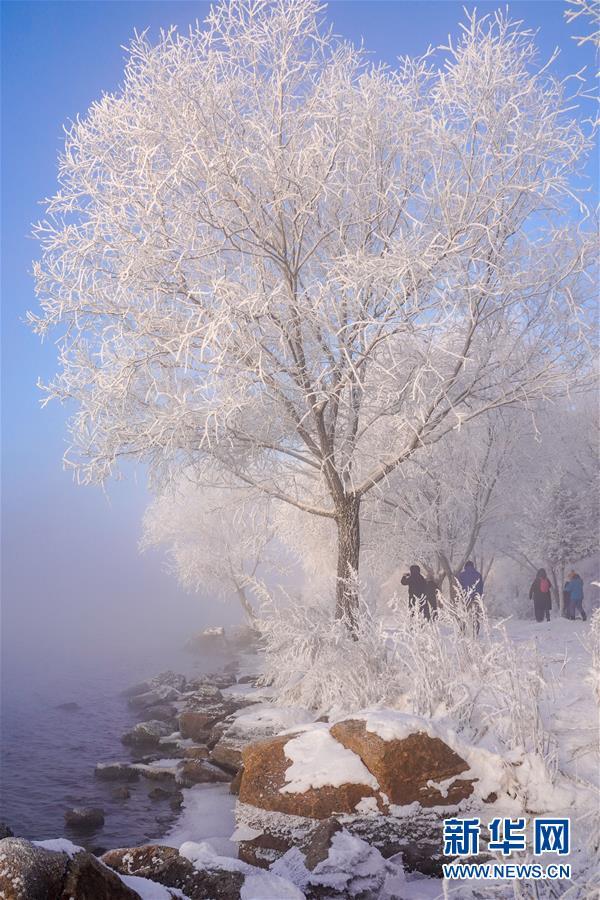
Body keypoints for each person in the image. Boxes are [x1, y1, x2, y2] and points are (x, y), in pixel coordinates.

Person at [456, 561, 484, 632]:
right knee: (475, 615)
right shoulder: (478, 575)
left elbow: (459, 587)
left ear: (465, 566)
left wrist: (460, 596)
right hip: (475, 598)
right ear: (473, 566)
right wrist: (479, 597)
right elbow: (481, 587)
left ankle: (463, 630)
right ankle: (475, 631)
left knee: (464, 614)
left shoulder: (461, 575)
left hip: (465, 598)